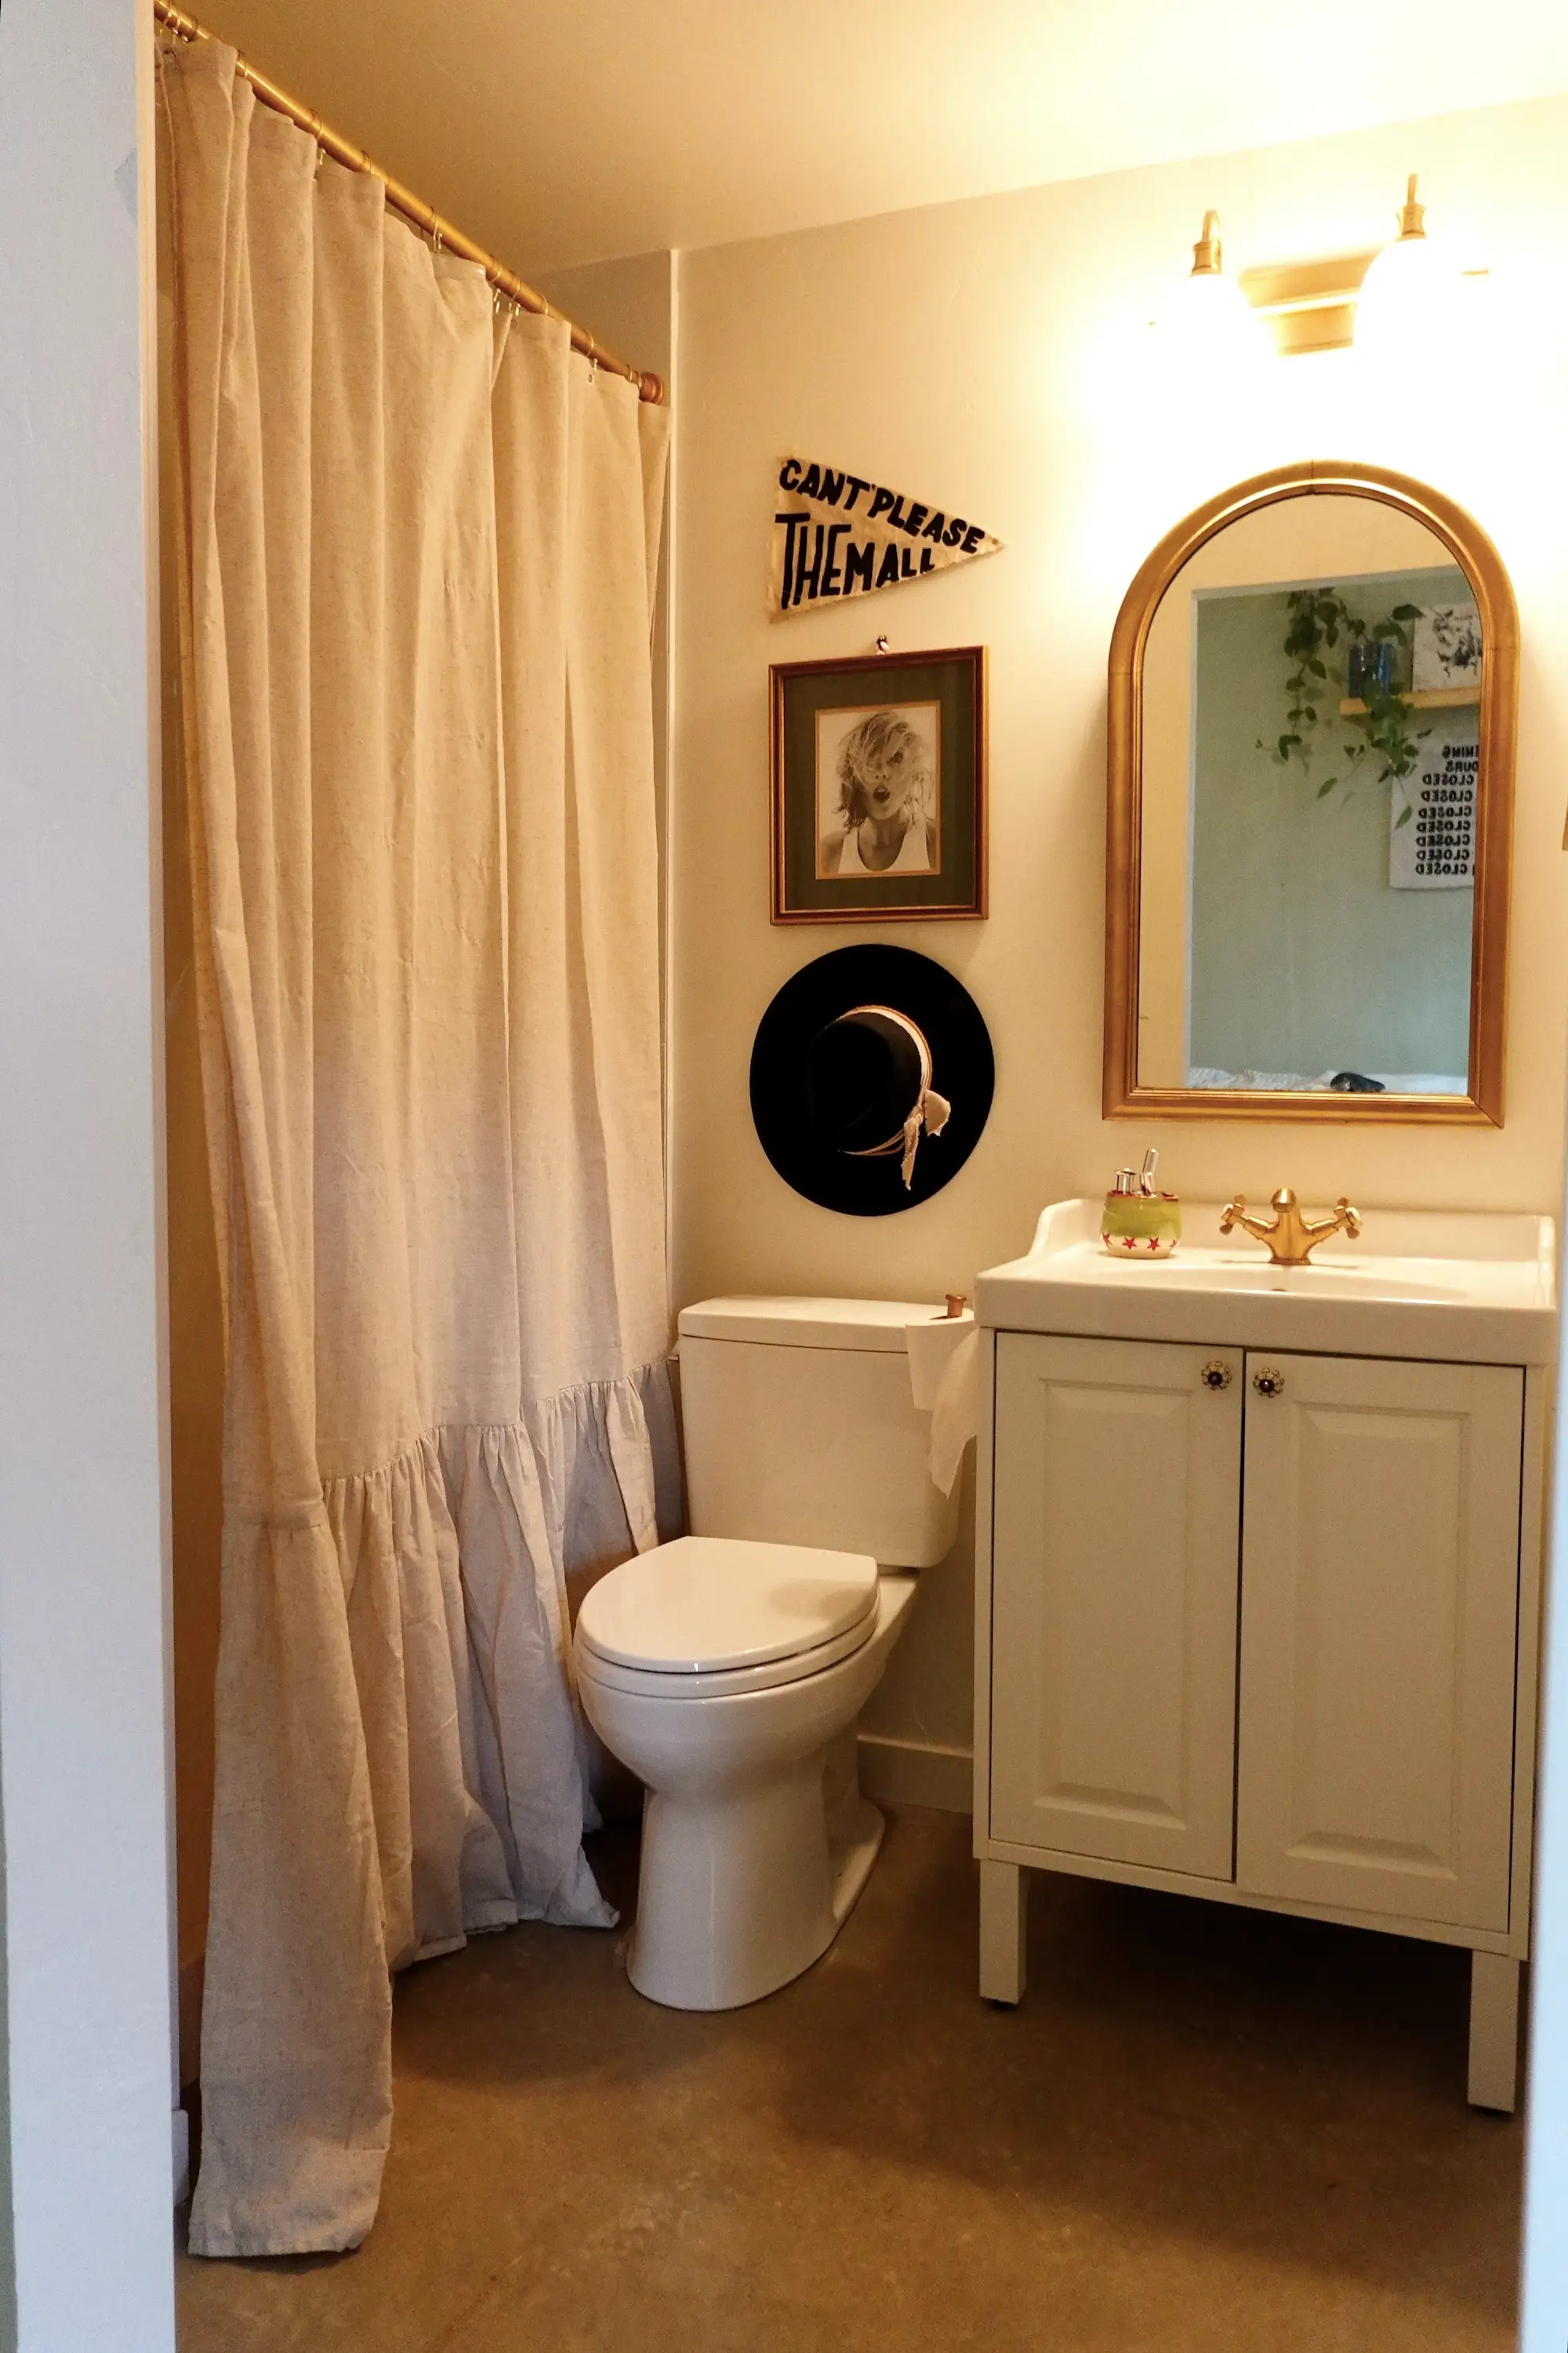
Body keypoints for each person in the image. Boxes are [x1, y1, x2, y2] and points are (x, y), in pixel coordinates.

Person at [820, 708, 938, 876]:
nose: (882, 772)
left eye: (895, 759)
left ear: (914, 769)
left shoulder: (935, 844)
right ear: (854, 774)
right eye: (870, 759)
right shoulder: (830, 854)